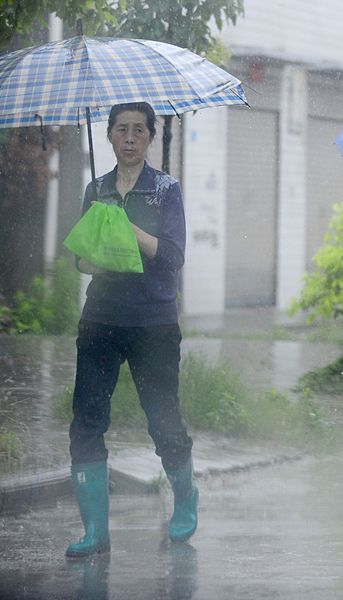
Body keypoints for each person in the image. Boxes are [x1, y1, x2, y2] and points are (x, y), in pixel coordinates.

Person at [65, 102, 197, 558]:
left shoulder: (165, 189)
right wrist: (96, 253)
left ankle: (186, 498)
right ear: (108, 135)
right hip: (101, 318)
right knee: (86, 421)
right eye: (121, 129)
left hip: (153, 322)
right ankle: (95, 531)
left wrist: (129, 229)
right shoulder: (95, 189)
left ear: (149, 137)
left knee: (163, 421)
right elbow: (80, 259)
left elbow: (174, 255)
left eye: (138, 130)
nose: (129, 137)